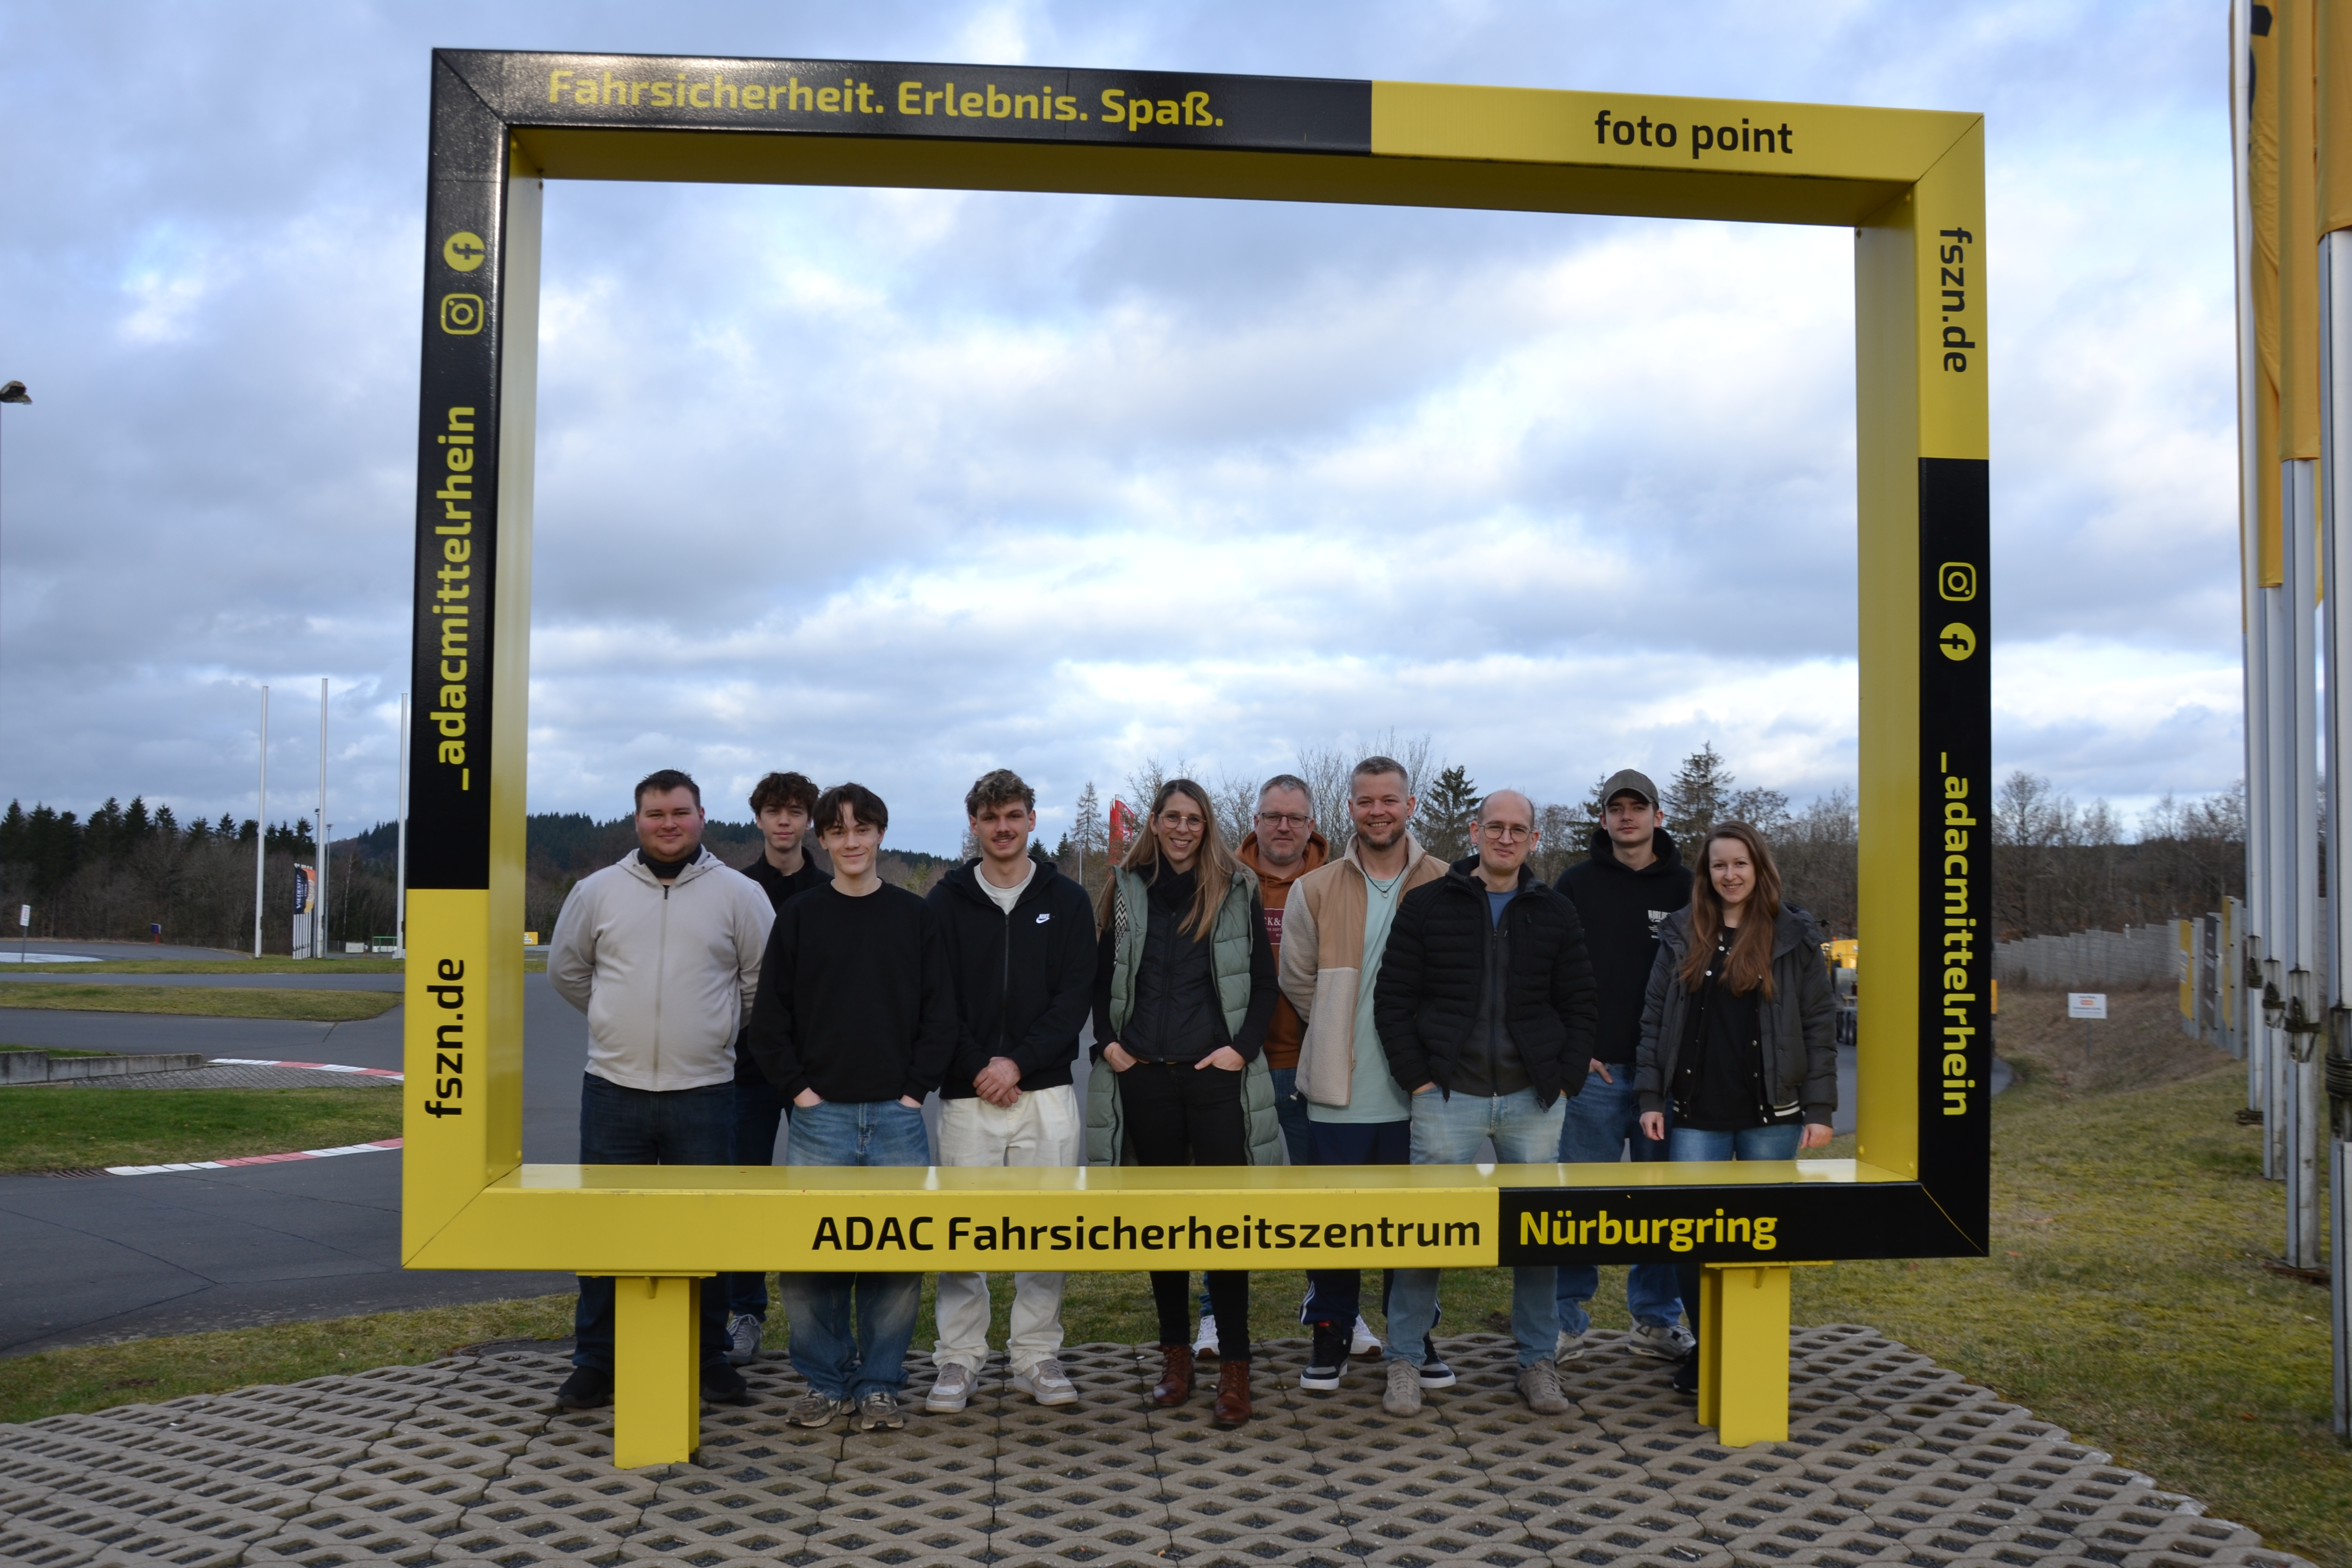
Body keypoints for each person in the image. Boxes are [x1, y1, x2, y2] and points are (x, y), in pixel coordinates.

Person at [547, 769, 774, 1412]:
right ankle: (597, 1360)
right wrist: (614, 1021)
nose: (668, 824)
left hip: (705, 1091)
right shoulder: (597, 891)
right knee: (606, 1230)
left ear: (702, 816)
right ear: (637, 820)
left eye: (679, 812)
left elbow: (761, 980)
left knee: (705, 1231)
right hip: (613, 1088)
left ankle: (707, 1356)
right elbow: (567, 970)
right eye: (655, 813)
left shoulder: (740, 894)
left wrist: (713, 1026)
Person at [1374, 788, 1597, 1417]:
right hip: (1449, 1096)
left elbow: (1581, 1002)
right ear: (1474, 832)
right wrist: (1417, 1077)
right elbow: (1394, 998)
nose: (1505, 838)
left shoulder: (1555, 911)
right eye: (1494, 826)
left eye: (1517, 829)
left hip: (1533, 1099)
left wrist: (1565, 1080)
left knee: (1538, 1238)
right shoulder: (1428, 904)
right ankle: (1404, 1360)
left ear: (1534, 840)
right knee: (1425, 1234)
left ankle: (1537, 1362)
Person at [746, 782, 960, 1432]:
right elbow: (769, 1020)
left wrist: (913, 1091)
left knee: (895, 1259)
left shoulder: (914, 916)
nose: (851, 841)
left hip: (896, 1117)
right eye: (838, 831)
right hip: (821, 1118)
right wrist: (801, 1093)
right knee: (812, 1262)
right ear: (823, 839)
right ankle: (824, 1381)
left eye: (862, 829)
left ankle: (880, 1384)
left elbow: (941, 1014)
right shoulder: (801, 917)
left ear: (880, 834)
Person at [1087, 777, 1281, 1427]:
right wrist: (1108, 1043)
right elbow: (1103, 976)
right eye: (1171, 817)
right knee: (1164, 1226)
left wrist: (1241, 1050)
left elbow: (1263, 984)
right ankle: (1175, 1358)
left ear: (1206, 826)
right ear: (1155, 822)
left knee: (1225, 1228)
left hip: (1213, 1077)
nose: (1181, 829)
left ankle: (1235, 1366)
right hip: (1145, 1076)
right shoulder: (1126, 888)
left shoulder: (1235, 887)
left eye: (1193, 819)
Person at [1634, 820, 1836, 1396]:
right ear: (1706, 873)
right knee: (1691, 1239)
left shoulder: (1793, 935)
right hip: (1696, 1114)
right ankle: (1710, 1349)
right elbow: (1654, 1020)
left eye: (1740, 864)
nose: (1730, 875)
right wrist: (1650, 1097)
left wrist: (1820, 1109)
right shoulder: (1681, 932)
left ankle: (1752, 1352)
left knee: (1762, 1239)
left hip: (1771, 1116)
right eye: (1719, 865)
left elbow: (1819, 1025)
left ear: (1759, 869)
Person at [923, 769, 1096, 1412]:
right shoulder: (944, 903)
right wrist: (979, 1067)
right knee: (961, 1233)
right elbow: (936, 999)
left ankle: (1035, 1355)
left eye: (1014, 815)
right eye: (991, 817)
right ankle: (959, 1358)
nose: (1003, 827)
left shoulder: (1067, 900)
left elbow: (1074, 997)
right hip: (967, 1093)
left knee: (1046, 1230)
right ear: (974, 823)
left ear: (1031, 820)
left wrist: (1017, 1064)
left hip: (1045, 1093)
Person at [1278, 756, 1450, 1393]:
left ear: (1410, 806)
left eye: (1389, 800)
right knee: (1335, 1227)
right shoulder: (1315, 888)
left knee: (1414, 1230)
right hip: (1338, 1095)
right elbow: (1297, 979)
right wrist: (1334, 1028)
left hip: (1421, 1096)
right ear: (1350, 808)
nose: (1378, 811)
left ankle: (1413, 1337)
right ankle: (1331, 1334)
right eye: (1366, 801)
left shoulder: (1446, 882)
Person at [1193, 774, 1360, 1360]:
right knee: (1226, 1201)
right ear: (1255, 821)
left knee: (1327, 1204)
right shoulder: (1222, 881)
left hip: (1316, 1068)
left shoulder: (1339, 883)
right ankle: (1213, 1316)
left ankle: (1339, 1310)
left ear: (1312, 825)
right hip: (1238, 1069)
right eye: (1272, 816)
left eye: (1295, 818)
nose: (1283, 827)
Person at [1553, 769, 1695, 1365]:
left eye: (1639, 807)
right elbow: (1549, 968)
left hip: (1669, 1078)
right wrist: (1574, 1047)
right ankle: (1564, 1322)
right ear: (1604, 818)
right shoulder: (1575, 884)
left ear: (1658, 817)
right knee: (1577, 1203)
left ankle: (1656, 1321)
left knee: (1664, 1205)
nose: (1628, 816)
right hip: (1597, 1074)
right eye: (1617, 808)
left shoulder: (1691, 887)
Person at [723, 770, 830, 1367]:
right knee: (744, 1193)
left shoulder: (829, 888)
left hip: (815, 1072)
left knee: (818, 1195)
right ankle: (745, 1312)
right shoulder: (736, 890)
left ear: (809, 820)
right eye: (774, 811)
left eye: (795, 811)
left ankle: (824, 1320)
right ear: (759, 818)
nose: (784, 821)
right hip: (746, 1068)